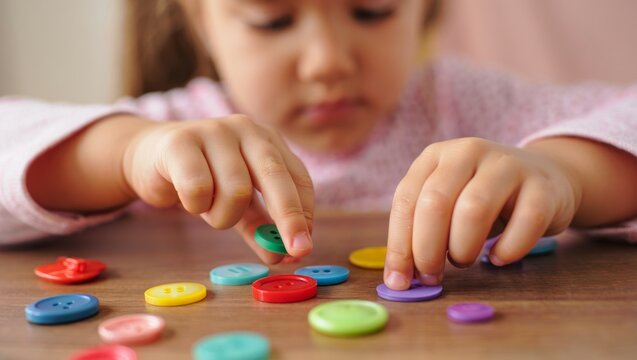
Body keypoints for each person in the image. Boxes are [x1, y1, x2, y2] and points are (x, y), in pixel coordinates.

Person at [1, 0, 636, 291]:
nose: (328, 61)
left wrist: (568, 172)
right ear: (200, 19)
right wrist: (122, 155)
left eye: (371, 12)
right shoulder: (179, 126)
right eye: (272, 20)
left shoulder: (469, 105)